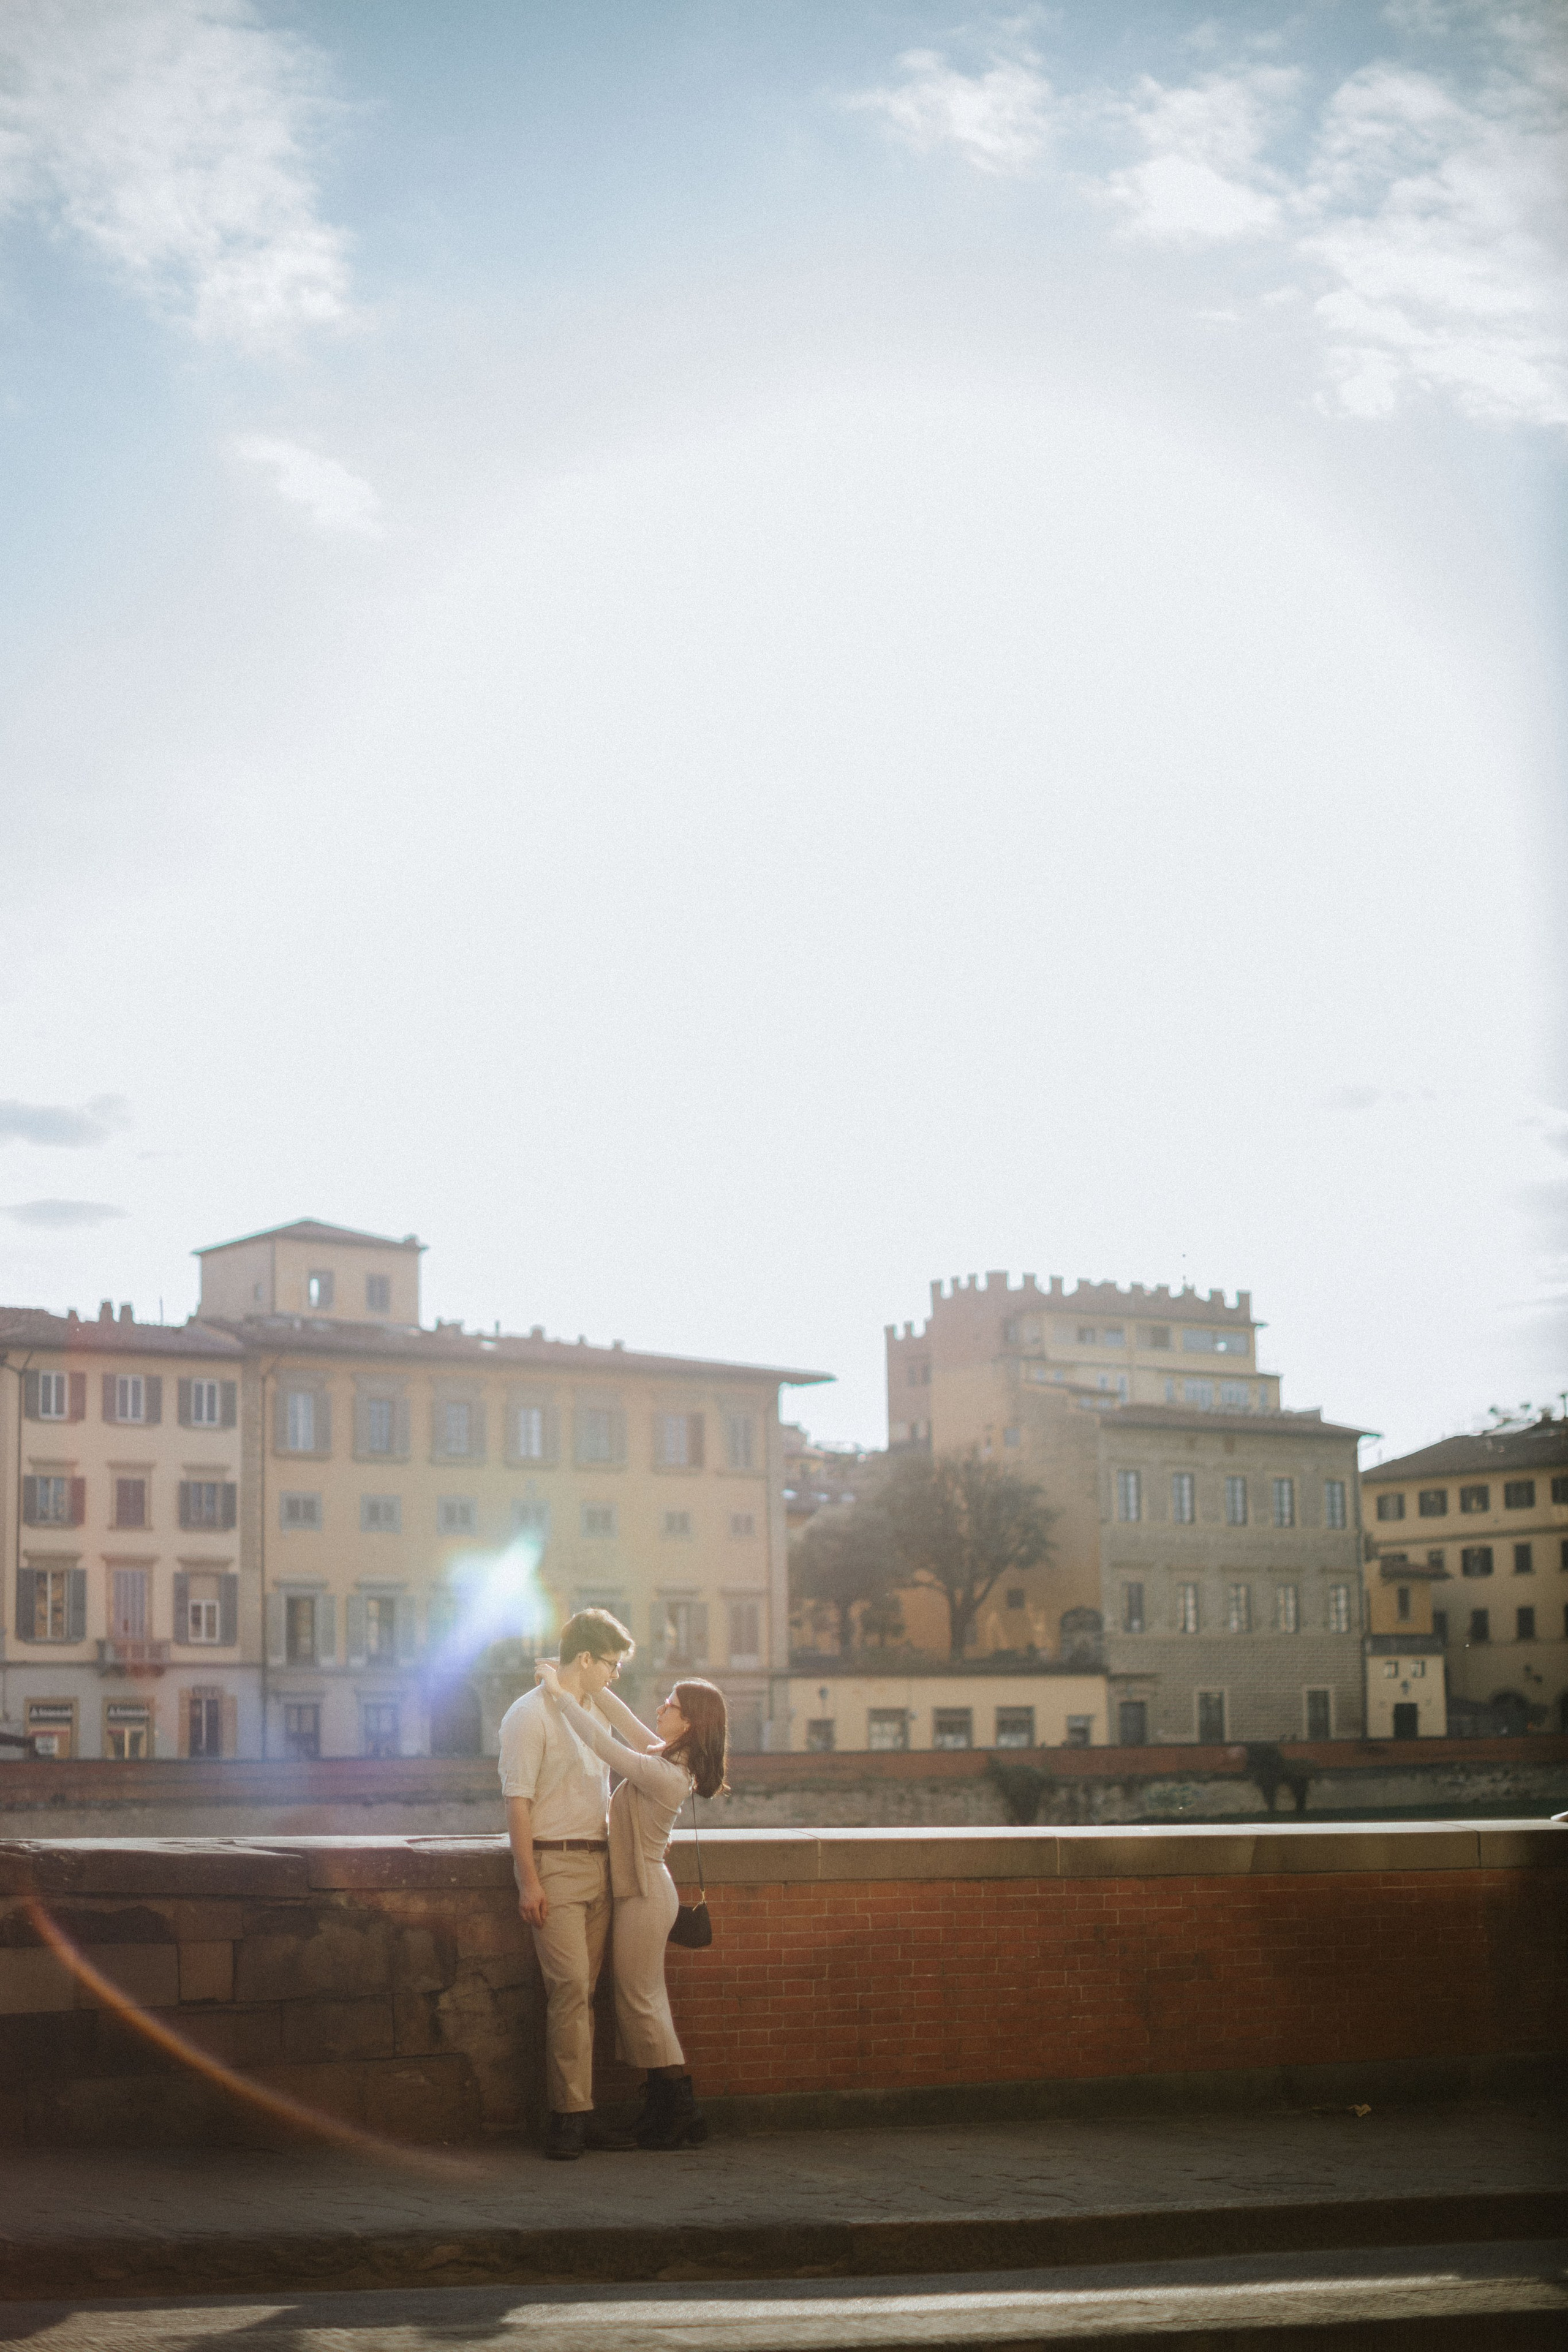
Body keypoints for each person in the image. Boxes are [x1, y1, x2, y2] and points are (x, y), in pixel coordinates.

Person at [537, 1656, 727, 2150]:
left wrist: (560, 1694)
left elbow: (602, 1743)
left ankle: (679, 2111)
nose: (661, 1709)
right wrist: (588, 1681)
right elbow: (620, 1722)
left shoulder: (664, 1772)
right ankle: (667, 2110)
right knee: (642, 2001)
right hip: (644, 1892)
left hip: (646, 1896)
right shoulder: (667, 1759)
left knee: (642, 2002)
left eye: (671, 1705)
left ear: (690, 1722)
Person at [498, 1607, 636, 2161]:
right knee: (572, 1990)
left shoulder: (594, 1710)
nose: (616, 1674)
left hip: (599, 1864)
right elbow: (517, 1802)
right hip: (554, 1866)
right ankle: (568, 2118)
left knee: (584, 1994)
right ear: (585, 1658)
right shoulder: (528, 1715)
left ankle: (578, 2109)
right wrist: (528, 1881)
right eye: (612, 1664)